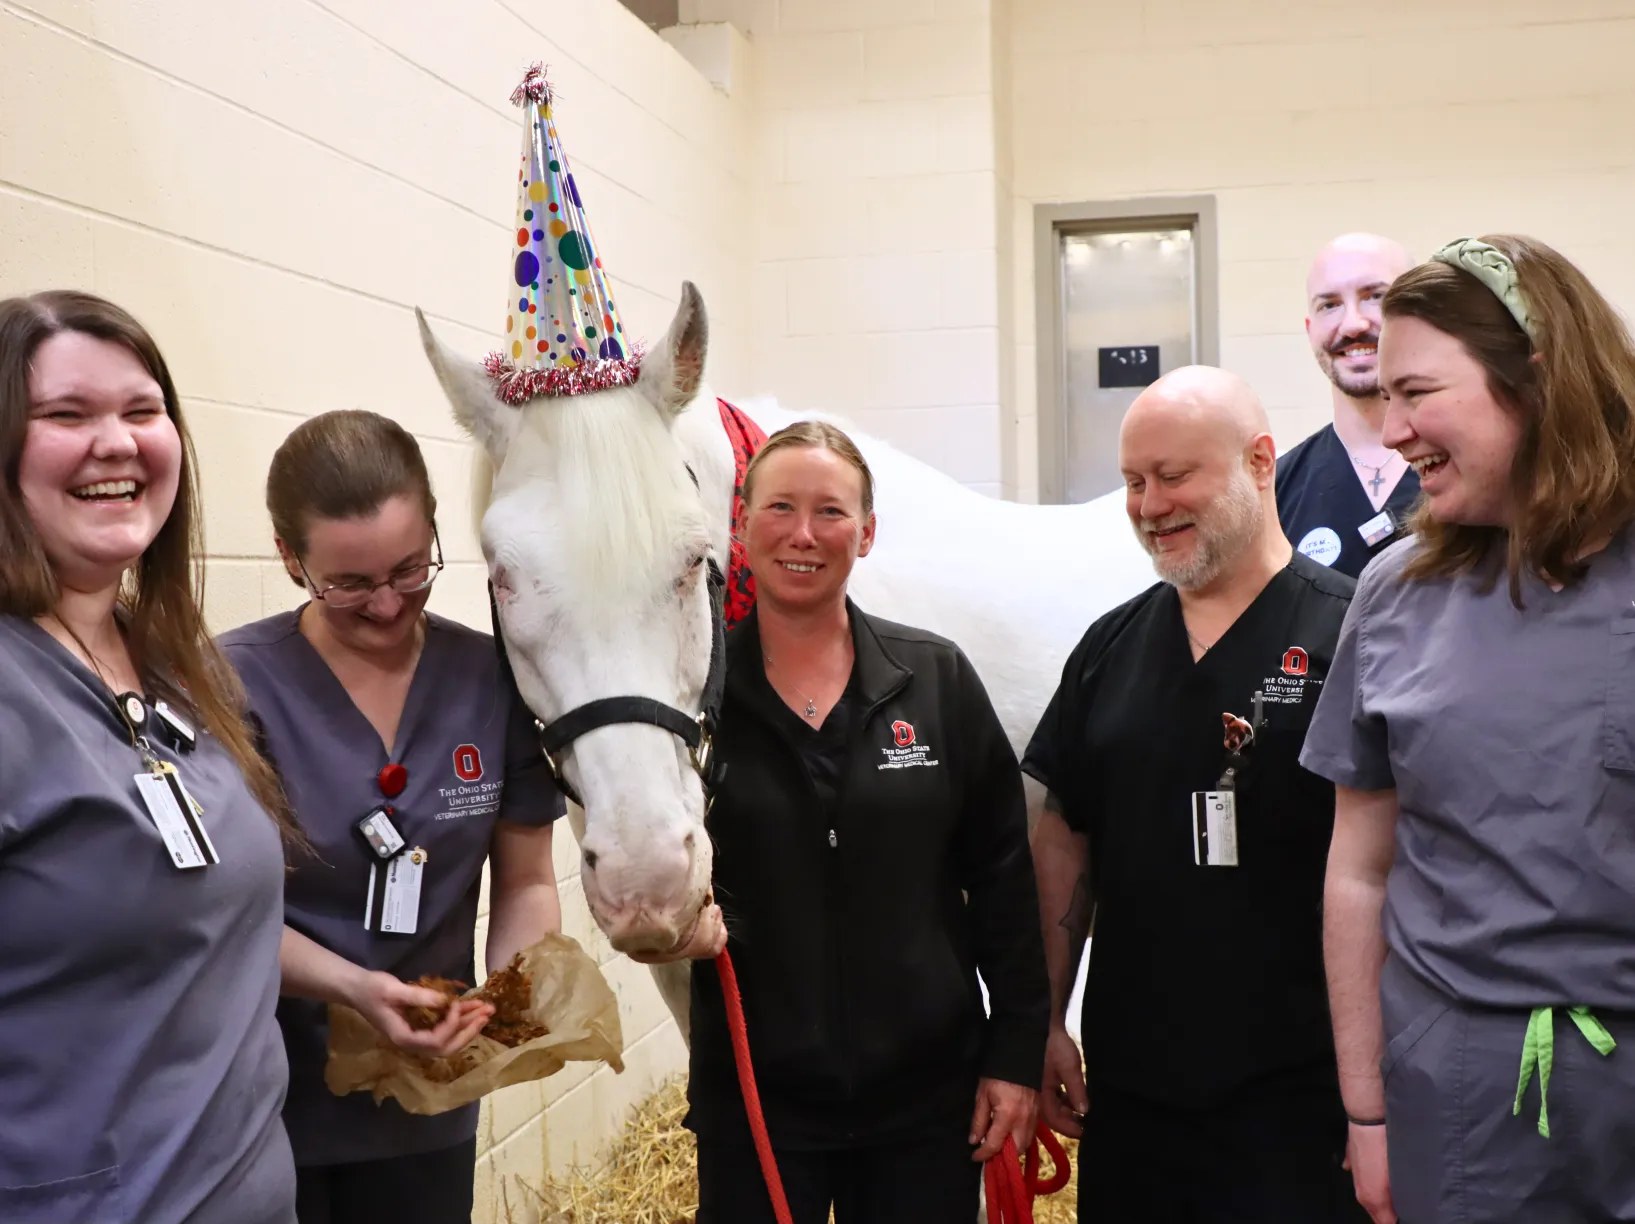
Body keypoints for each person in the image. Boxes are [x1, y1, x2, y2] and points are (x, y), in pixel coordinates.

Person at [1304, 234, 1635, 1224]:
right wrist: (1367, 1115)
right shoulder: (1397, 593)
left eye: (1418, 392)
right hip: (1460, 1089)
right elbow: (1359, 869)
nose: (1392, 429)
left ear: (1534, 376)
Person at [645, 420, 1048, 1223]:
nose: (802, 533)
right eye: (779, 507)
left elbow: (1004, 884)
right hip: (757, 1106)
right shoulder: (691, 699)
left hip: (922, 1109)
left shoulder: (934, 679)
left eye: (830, 512)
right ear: (742, 526)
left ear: (865, 535)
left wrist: (1013, 1059)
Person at [1025, 366, 1367, 1222]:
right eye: (1133, 483)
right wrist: (1041, 1019)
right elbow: (1064, 833)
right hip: (1139, 1095)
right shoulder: (1109, 649)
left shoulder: (1351, 632)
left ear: (1259, 462)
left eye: (1173, 476)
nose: (1148, 505)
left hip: (1305, 1097)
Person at [219, 410, 565, 1224]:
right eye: (348, 584)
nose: (385, 606)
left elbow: (525, 880)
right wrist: (354, 988)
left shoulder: (488, 676)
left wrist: (503, 994)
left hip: (426, 1092)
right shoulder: (228, 687)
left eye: (412, 571)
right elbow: (220, 916)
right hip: (270, 1092)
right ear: (288, 559)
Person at [0, 291, 297, 1222]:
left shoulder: (177, 661)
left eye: (142, 411)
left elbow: (198, 914)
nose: (117, 443)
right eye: (66, 416)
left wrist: (360, 985)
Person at [1278, 233, 1420, 577]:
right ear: (1310, 330)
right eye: (1330, 304)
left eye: (1375, 297)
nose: (1353, 324)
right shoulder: (1275, 492)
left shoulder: (1472, 468)